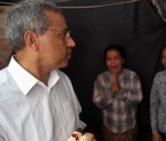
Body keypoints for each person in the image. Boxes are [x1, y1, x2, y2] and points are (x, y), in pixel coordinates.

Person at [0, 1, 95, 141]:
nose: (72, 43)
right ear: (32, 40)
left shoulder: (62, 80)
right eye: (63, 35)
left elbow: (77, 126)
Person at [93, 44, 143, 141]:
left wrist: (120, 91)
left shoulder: (132, 76)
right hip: (110, 127)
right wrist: (111, 92)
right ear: (105, 62)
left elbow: (138, 99)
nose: (113, 63)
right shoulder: (101, 79)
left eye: (116, 58)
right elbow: (97, 103)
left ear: (123, 60)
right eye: (109, 59)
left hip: (129, 127)